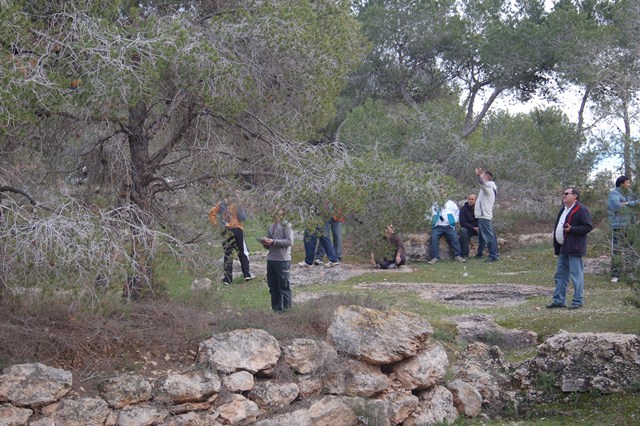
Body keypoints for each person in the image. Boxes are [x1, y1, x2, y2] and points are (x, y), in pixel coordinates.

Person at [546, 187, 593, 310]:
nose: (564, 195)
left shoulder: (581, 209)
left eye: (566, 193)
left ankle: (578, 300)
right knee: (560, 274)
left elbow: (588, 227)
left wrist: (572, 229)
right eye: (563, 193)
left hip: (574, 247)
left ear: (575, 196)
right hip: (563, 247)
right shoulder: (563, 210)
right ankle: (558, 300)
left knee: (576, 274)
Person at [208, 197, 256, 284]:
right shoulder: (237, 204)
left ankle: (227, 279)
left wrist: (216, 225)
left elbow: (211, 212)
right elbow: (243, 218)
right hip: (237, 230)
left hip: (225, 230)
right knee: (243, 252)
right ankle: (247, 274)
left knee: (228, 254)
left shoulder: (220, 204)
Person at [261, 207, 293, 313]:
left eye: (277, 208)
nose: (274, 211)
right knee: (273, 287)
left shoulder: (286, 225)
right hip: (271, 259)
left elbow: (289, 242)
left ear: (282, 211)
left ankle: (287, 311)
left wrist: (273, 242)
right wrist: (265, 243)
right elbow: (268, 245)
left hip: (282, 260)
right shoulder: (271, 226)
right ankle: (276, 311)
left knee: (284, 287)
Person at [607, 175, 638, 282]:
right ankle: (615, 274)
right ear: (622, 183)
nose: (629, 184)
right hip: (618, 226)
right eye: (628, 182)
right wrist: (630, 205)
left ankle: (630, 273)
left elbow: (637, 204)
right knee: (617, 250)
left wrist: (628, 203)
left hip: (631, 226)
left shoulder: (630, 194)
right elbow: (617, 207)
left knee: (630, 250)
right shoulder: (613, 194)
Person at [428, 199, 466, 264]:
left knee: (455, 238)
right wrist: (432, 220)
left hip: (449, 227)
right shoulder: (435, 204)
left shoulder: (451, 203)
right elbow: (429, 214)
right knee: (434, 239)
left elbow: (457, 213)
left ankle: (458, 255)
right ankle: (435, 257)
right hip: (437, 227)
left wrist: (453, 221)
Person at [475, 167, 499, 262]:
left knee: (488, 236)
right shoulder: (488, 187)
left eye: (482, 176)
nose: (481, 177)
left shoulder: (489, 187)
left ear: (486, 177)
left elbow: (483, 185)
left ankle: (493, 255)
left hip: (484, 215)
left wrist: (478, 176)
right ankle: (492, 253)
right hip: (483, 215)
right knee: (488, 235)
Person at [459, 194, 485, 258]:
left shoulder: (479, 209)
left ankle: (480, 253)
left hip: (478, 228)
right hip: (468, 228)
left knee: (484, 231)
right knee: (464, 231)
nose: (470, 201)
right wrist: (473, 228)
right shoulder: (463, 209)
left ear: (476, 200)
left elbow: (482, 220)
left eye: (472, 199)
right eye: (469, 199)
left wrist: (479, 227)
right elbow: (463, 222)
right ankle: (464, 254)